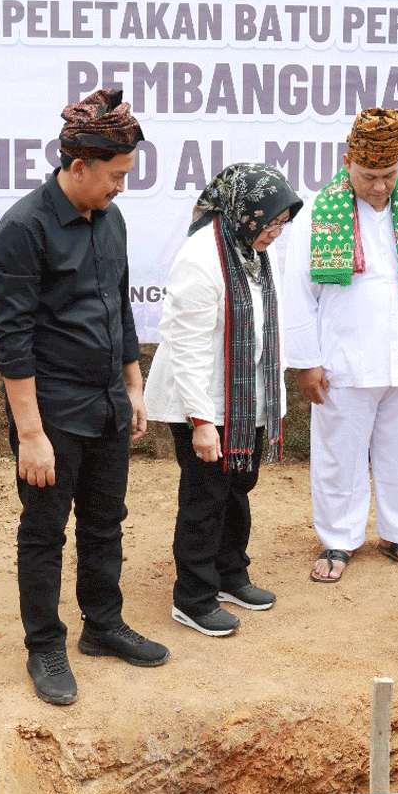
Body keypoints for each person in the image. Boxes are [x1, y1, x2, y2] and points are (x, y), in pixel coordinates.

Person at [0, 87, 168, 705]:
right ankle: (45, 645)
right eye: (115, 176)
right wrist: (31, 434)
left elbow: (119, 306)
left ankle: (103, 625)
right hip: (52, 408)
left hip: (108, 402)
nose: (122, 188)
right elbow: (12, 342)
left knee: (105, 520)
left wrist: (134, 386)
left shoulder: (110, 217)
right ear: (78, 166)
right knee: (44, 530)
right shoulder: (22, 229)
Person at [282, 108, 398, 583]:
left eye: (388, 175)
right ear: (348, 162)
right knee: (338, 454)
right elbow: (298, 292)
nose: (380, 187)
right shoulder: (318, 212)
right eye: (369, 176)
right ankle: (339, 541)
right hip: (342, 361)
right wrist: (306, 362)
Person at [143, 163, 302, 637]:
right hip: (204, 403)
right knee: (205, 496)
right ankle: (193, 597)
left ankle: (230, 575)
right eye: (270, 222)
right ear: (245, 213)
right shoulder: (201, 256)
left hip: (244, 399)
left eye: (281, 223)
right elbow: (188, 346)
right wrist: (201, 422)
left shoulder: (249, 249)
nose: (276, 232)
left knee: (239, 487)